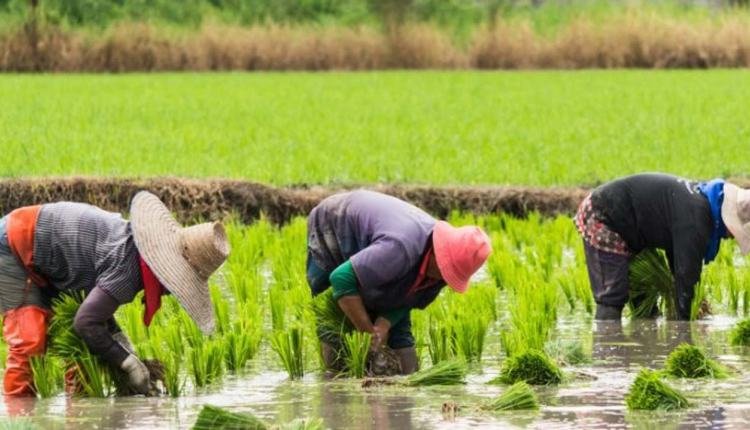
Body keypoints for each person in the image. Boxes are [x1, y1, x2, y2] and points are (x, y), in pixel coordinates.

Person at [0, 191, 230, 396]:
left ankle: (79, 416)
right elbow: (86, 322)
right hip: (15, 245)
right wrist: (128, 363)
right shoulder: (130, 269)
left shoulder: (137, 256)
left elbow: (97, 313)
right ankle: (17, 417)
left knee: (84, 357)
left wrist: (126, 350)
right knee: (29, 342)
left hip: (55, 262)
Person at [306, 190, 491, 374]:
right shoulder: (399, 248)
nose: (444, 279)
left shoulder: (438, 274)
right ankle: (333, 383)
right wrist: (368, 332)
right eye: (446, 270)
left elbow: (408, 300)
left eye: (452, 274)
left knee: (398, 334)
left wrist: (383, 325)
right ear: (437, 252)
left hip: (384, 245)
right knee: (332, 318)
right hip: (335, 222)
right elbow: (341, 279)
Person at [575, 173, 750, 320]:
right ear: (728, 216)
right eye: (736, 231)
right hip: (603, 216)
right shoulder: (696, 220)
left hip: (630, 227)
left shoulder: (701, 201)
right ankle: (607, 352)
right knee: (612, 297)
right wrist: (684, 328)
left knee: (646, 302)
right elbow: (686, 276)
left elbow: (678, 261)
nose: (732, 237)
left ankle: (641, 348)